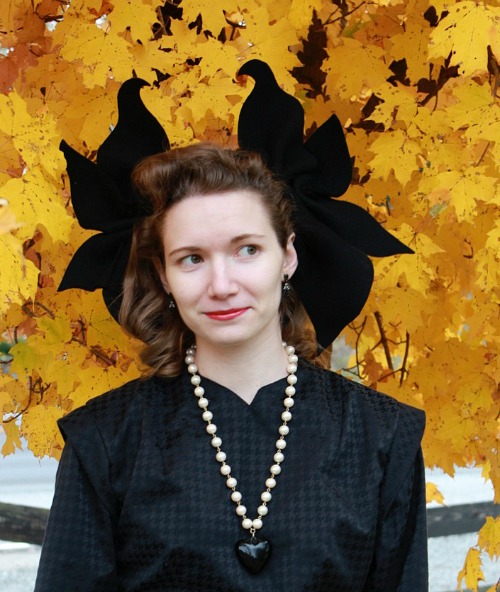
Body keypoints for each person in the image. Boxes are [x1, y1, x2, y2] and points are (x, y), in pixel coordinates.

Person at [34, 62, 428, 591]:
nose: (221, 285)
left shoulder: (381, 435)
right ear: (164, 275)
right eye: (192, 258)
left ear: (287, 256)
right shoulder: (106, 439)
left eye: (247, 250)